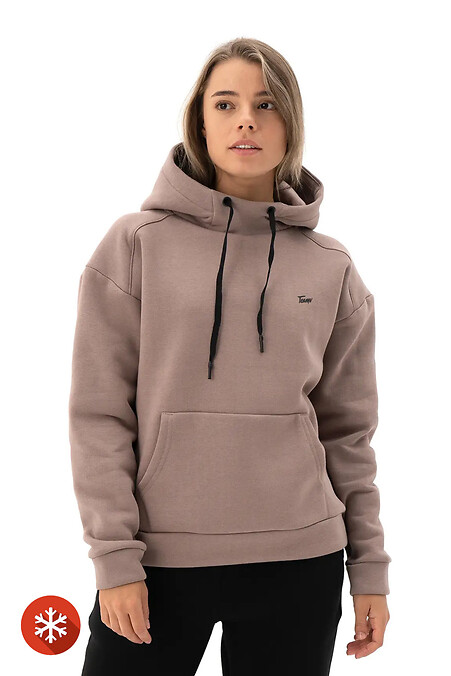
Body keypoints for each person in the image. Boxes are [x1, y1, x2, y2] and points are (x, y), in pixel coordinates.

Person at [68, 37, 391, 675]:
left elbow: (349, 433)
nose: (246, 119)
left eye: (266, 104)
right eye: (226, 103)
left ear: (291, 123)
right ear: (200, 121)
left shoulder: (331, 266)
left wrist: (370, 570)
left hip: (302, 562)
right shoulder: (135, 244)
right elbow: (99, 415)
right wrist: (113, 558)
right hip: (158, 562)